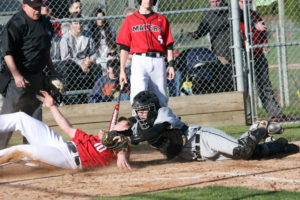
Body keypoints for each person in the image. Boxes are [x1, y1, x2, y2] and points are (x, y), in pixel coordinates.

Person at [127, 90, 295, 161]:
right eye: (138, 112)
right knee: (252, 154)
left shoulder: (163, 113)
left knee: (242, 151)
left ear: (153, 109)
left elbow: (154, 133)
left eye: (143, 111)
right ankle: (277, 145)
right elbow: (128, 128)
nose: (140, 115)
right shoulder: (139, 127)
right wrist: (118, 136)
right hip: (201, 157)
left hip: (204, 139)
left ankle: (261, 127)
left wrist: (131, 138)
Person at [0, 90, 131, 170]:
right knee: (21, 118)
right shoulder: (95, 139)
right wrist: (52, 106)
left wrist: (122, 152)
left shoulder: (120, 144)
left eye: (123, 124)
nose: (117, 124)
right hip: (61, 145)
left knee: (20, 151)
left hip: (67, 160)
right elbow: (68, 129)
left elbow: (124, 144)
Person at [0, 0, 56, 149]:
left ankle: (32, 156)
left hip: (37, 76)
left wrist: (53, 70)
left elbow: (45, 51)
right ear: (24, 6)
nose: (38, 10)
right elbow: (7, 53)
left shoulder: (45, 23)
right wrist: (17, 75)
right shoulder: (16, 23)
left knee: (34, 119)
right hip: (17, 78)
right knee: (8, 118)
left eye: (39, 6)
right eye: (34, 7)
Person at [116, 0, 175, 107]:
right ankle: (138, 122)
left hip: (158, 60)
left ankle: (162, 122)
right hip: (139, 60)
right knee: (138, 97)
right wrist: (122, 69)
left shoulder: (161, 19)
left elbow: (169, 44)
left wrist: (171, 65)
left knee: (161, 99)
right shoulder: (130, 20)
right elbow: (124, 47)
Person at [239, 0, 290, 122]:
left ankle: (275, 114)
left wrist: (264, 44)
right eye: (243, 1)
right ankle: (244, 117)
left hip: (257, 55)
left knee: (265, 86)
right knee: (242, 88)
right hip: (243, 57)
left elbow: (263, 31)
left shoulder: (254, 14)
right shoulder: (235, 16)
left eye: (249, 1)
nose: (247, 3)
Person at [59, 12, 98, 92]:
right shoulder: (65, 38)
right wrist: (81, 63)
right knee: (70, 68)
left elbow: (94, 52)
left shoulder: (88, 35)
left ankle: (92, 93)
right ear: (71, 24)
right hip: (73, 64)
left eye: (80, 23)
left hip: (86, 63)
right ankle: (72, 94)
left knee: (97, 68)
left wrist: (90, 60)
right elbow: (65, 58)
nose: (79, 25)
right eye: (76, 23)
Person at [188, 0, 232, 64]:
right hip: (221, 55)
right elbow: (202, 30)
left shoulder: (231, 9)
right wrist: (195, 34)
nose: (215, 5)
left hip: (236, 51)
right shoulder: (208, 14)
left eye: (217, 1)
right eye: (212, 2)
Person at [90, 7, 117, 75]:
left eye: (102, 17)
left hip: (109, 56)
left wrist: (112, 53)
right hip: (98, 57)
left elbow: (113, 46)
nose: (101, 20)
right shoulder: (91, 31)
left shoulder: (110, 29)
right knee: (102, 65)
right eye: (98, 18)